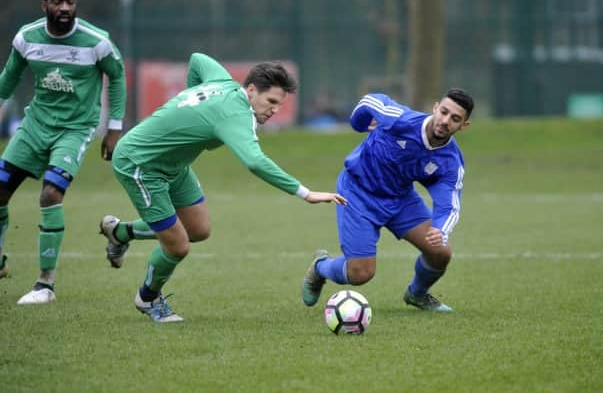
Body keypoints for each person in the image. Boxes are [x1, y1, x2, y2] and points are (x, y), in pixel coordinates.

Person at [99, 52, 346, 323]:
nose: (275, 110)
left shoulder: (223, 80)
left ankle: (120, 232)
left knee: (199, 230)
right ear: (251, 90)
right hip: (140, 164)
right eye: (271, 101)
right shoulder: (235, 114)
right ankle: (147, 298)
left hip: (175, 165)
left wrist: (191, 100)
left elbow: (196, 60)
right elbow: (254, 162)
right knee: (178, 246)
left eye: (279, 103)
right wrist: (306, 193)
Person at [0, 0, 126, 304]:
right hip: (35, 125)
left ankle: (45, 285)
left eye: (70, 1)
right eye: (58, 1)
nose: (65, 7)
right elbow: (7, 81)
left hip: (75, 129)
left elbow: (117, 75)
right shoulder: (27, 38)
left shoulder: (96, 41)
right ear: (45, 5)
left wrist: (114, 129)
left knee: (51, 193)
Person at [301, 89, 474, 312]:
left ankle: (417, 294)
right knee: (360, 274)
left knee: (440, 252)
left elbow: (449, 203)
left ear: (463, 126)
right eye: (444, 112)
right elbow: (369, 100)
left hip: (400, 198)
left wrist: (440, 228)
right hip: (357, 192)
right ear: (435, 107)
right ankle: (320, 267)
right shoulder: (400, 119)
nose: (445, 121)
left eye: (455, 118)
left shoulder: (450, 161)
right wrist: (359, 124)